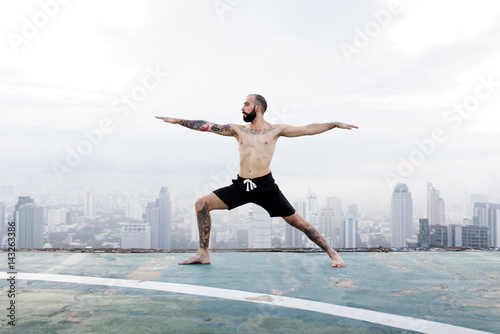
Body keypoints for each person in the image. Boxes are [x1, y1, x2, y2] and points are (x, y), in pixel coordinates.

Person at [155, 94, 358, 267]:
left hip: (265, 186)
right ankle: (203, 254)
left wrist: (334, 124)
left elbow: (308, 128)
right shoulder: (238, 130)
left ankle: (332, 252)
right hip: (241, 185)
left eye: (246, 104)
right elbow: (207, 126)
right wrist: (178, 120)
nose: (242, 108)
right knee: (202, 204)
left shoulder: (276, 130)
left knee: (298, 222)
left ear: (257, 108)